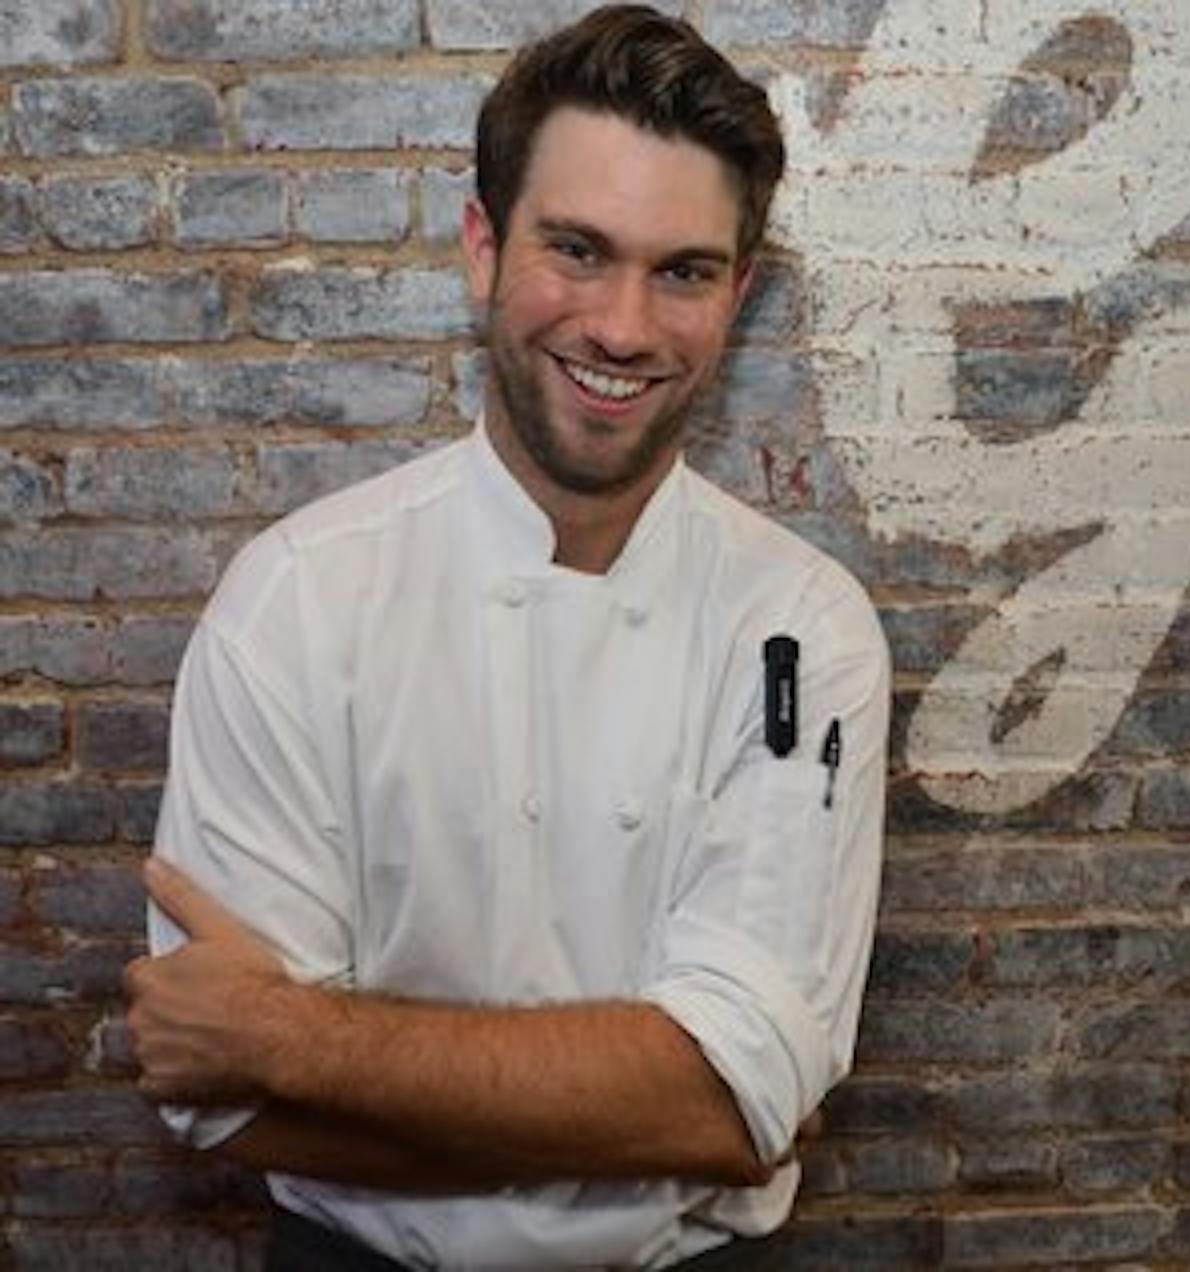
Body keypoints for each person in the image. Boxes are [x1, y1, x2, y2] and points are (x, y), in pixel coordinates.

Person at [124, 6, 891, 1269]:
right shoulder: (300, 601)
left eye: (684, 270)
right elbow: (228, 1101)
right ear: (482, 248)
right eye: (578, 250)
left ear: (738, 293)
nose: (624, 326)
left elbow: (740, 1104)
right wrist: (649, 1105)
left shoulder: (801, 626)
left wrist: (297, 1039)